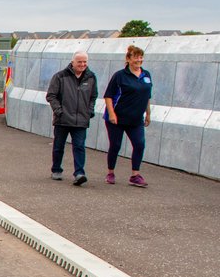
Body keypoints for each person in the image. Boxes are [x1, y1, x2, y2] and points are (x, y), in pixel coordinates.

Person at [103, 45, 153, 187]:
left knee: (139, 144)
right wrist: (112, 114)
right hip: (117, 117)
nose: (139, 60)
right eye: (136, 57)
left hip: (136, 118)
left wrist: (148, 113)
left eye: (141, 57)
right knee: (115, 145)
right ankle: (110, 172)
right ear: (128, 59)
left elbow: (147, 96)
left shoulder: (146, 75)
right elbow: (108, 96)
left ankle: (135, 175)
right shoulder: (120, 75)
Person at [46, 51, 98, 186]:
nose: (82, 64)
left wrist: (89, 111)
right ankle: (56, 169)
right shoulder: (60, 76)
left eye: (84, 62)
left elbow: (93, 96)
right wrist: (59, 111)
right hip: (63, 118)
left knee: (79, 146)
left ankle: (79, 173)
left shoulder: (91, 77)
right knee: (59, 146)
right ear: (73, 62)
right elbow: (51, 95)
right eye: (79, 62)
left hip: (81, 119)